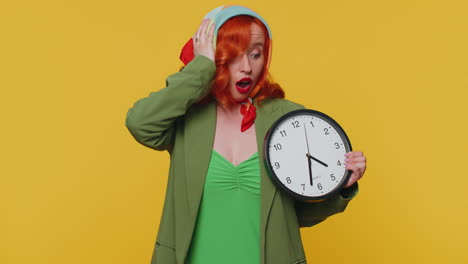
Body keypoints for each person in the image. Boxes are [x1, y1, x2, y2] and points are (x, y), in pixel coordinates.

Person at [125, 5, 367, 264]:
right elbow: (140, 123)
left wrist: (340, 186)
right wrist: (201, 70)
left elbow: (295, 216)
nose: (247, 67)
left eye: (255, 54)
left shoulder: (287, 120)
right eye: (234, 54)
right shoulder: (187, 118)